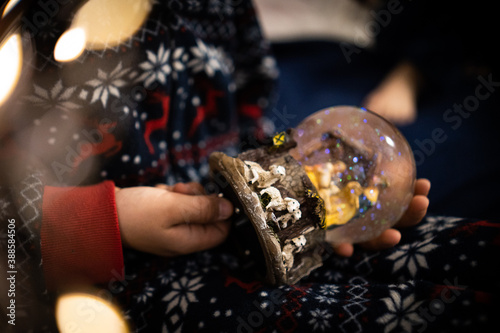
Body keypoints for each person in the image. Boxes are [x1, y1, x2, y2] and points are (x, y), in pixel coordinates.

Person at [0, 1, 497, 332]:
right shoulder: (20, 50)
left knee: (462, 249)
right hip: (107, 289)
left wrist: (298, 176)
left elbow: (245, 101)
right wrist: (108, 221)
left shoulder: (209, 11)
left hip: (253, 214)